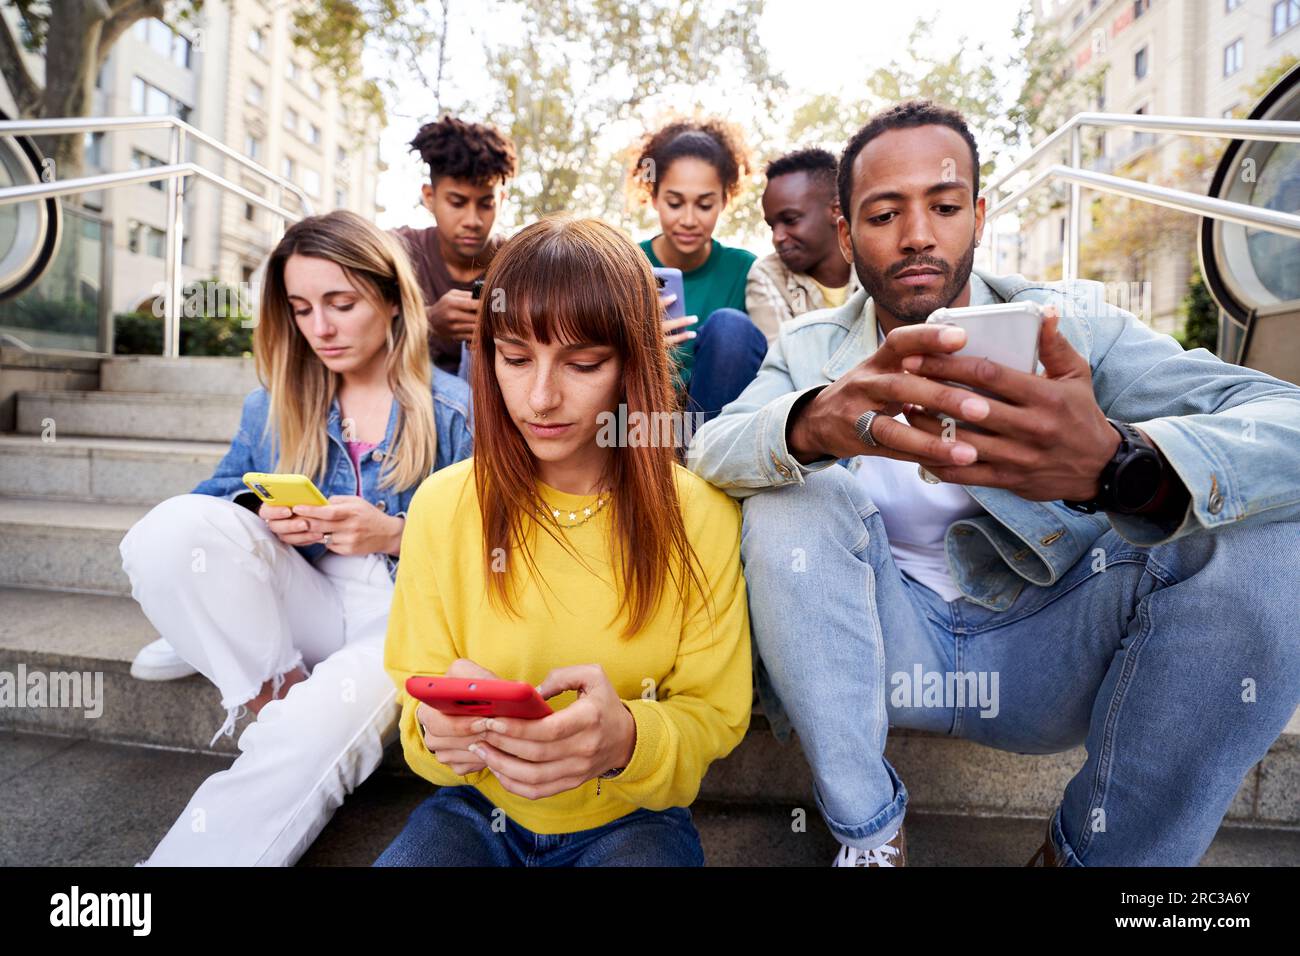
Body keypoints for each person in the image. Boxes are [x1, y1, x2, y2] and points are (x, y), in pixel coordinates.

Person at [687, 100, 1300, 867]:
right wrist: (815, 423)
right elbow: (708, 449)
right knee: (796, 502)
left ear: (977, 215)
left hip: (1047, 654)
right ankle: (871, 836)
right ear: (846, 234)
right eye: (884, 214)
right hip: (879, 653)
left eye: (943, 207)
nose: (917, 235)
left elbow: (1284, 420)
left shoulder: (1071, 325)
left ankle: (1085, 859)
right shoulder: (812, 349)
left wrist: (1122, 465)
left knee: (1273, 543)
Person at [375, 217, 752, 867]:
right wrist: (439, 734)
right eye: (516, 358)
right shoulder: (440, 506)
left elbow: (713, 715)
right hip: (473, 811)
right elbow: (415, 707)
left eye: (583, 363)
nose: (542, 397)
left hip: (633, 817)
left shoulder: (702, 515)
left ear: (633, 364)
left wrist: (628, 738)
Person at [120, 210, 473, 865]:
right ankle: (273, 691)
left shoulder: (455, 409)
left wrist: (398, 534)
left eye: (342, 303)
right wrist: (260, 514)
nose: (321, 328)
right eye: (302, 308)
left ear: (394, 299)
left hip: (404, 615)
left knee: (311, 731)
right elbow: (209, 508)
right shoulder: (275, 404)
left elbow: (496, 549)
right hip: (305, 591)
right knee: (166, 531)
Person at [631, 117, 768, 423]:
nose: (689, 220)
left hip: (716, 426)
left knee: (731, 327)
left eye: (704, 205)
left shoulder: (746, 269)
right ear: (654, 198)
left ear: (724, 200)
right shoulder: (626, 263)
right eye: (675, 203)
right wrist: (639, 345)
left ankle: (703, 460)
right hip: (642, 422)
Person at [392, 115, 517, 380]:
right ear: (430, 197)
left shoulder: (521, 264)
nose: (472, 221)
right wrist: (426, 321)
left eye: (486, 204)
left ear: (502, 200)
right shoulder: (396, 252)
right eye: (457, 203)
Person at [747, 147, 861, 343]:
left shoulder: (874, 260)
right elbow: (784, 362)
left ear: (836, 210)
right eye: (772, 226)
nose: (777, 237)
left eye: (790, 220)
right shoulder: (768, 274)